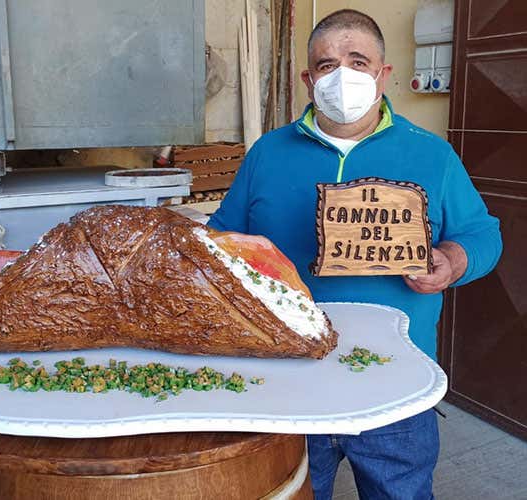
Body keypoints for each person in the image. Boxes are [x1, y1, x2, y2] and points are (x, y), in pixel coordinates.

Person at [208, 9, 502, 500]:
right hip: (288, 377)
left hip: (396, 381)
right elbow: (218, 241)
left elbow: (483, 234)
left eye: (358, 61)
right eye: (326, 65)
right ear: (308, 79)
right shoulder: (267, 153)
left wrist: (452, 259)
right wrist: (236, 253)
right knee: (292, 491)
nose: (341, 76)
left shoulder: (432, 154)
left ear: (383, 75)